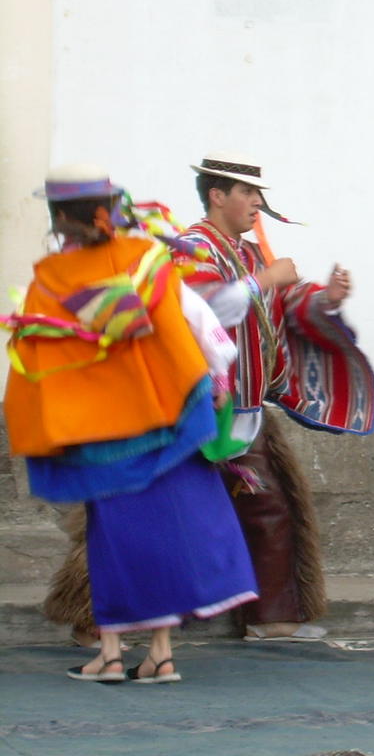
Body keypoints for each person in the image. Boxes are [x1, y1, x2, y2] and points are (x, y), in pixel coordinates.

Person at [5, 164, 257, 682]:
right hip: (166, 421)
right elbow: (202, 325)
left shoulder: (50, 278)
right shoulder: (146, 257)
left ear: (58, 217)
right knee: (164, 532)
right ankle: (160, 653)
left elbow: (35, 356)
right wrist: (216, 380)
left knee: (112, 538)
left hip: (98, 436)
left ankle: (112, 654)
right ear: (112, 208)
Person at [177, 151, 374, 640]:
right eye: (248, 193)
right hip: (196, 411)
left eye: (258, 194)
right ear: (217, 195)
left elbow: (281, 304)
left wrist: (325, 298)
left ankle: (271, 618)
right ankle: (99, 617)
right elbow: (201, 309)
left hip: (245, 410)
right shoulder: (190, 248)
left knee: (269, 509)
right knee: (165, 514)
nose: (257, 203)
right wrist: (266, 279)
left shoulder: (249, 254)